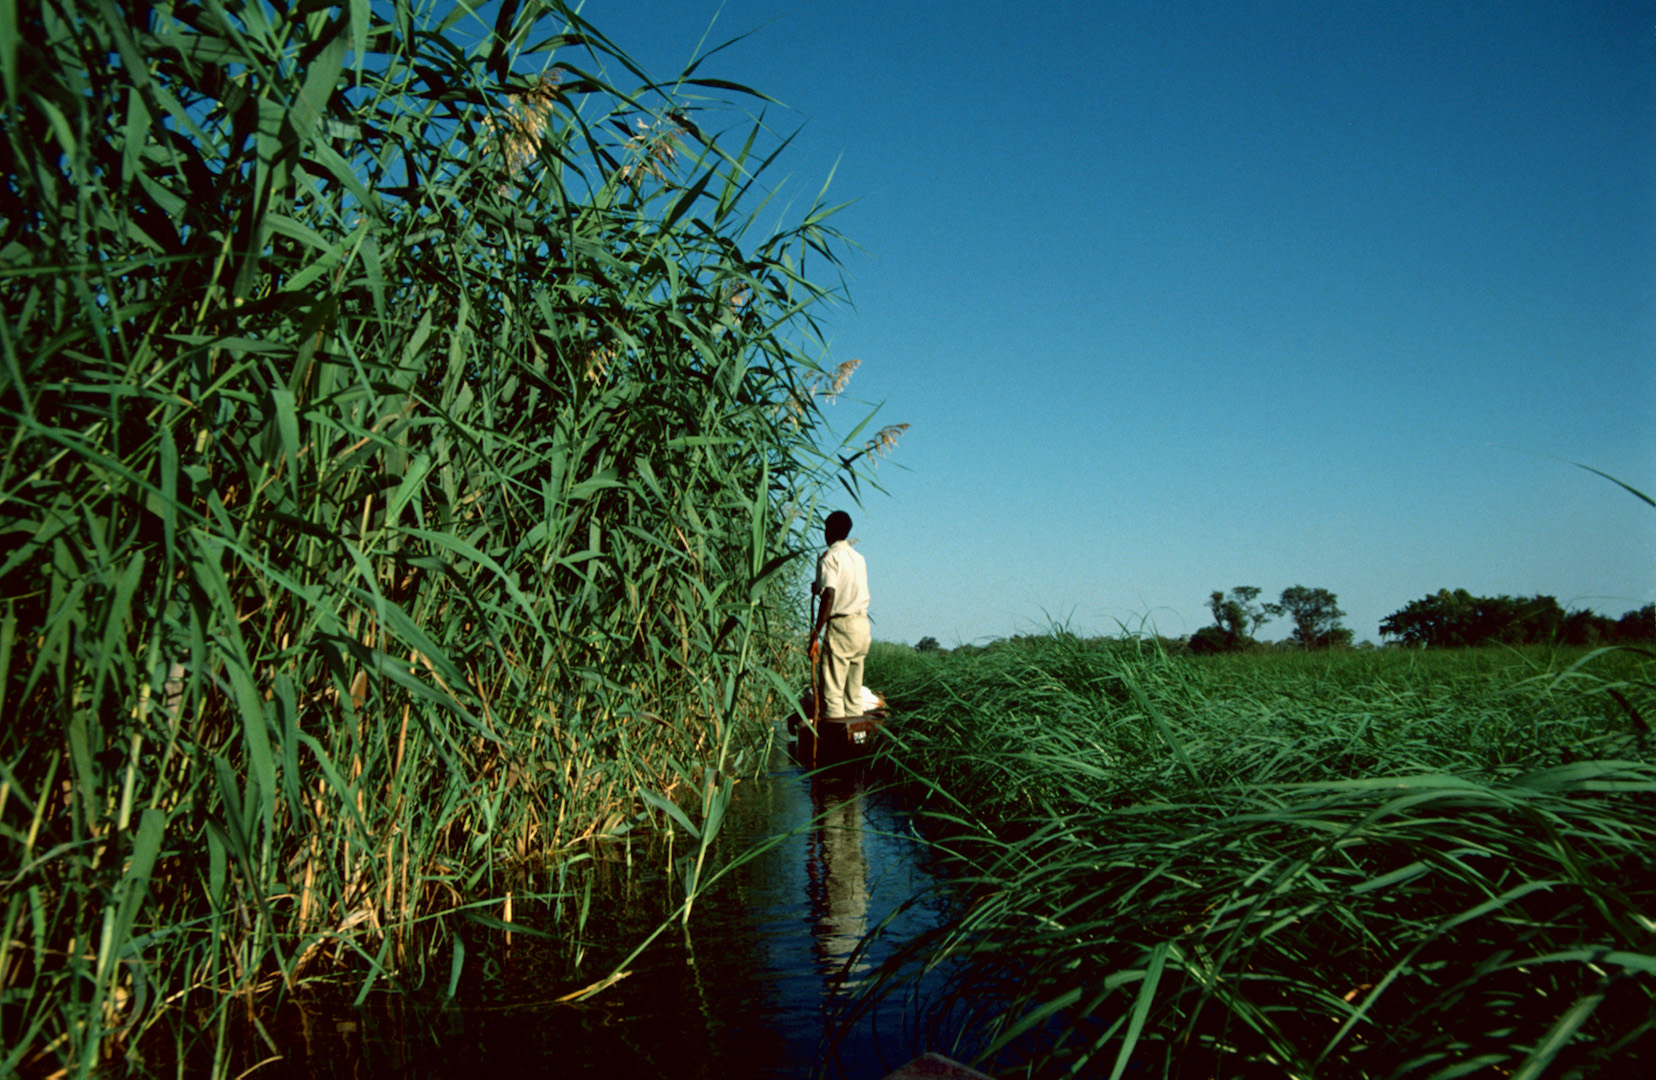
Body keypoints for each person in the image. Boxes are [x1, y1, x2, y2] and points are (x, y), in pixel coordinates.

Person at [807, 511, 871, 718]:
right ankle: (855, 744)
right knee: (853, 695)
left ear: (829, 532)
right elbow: (844, 585)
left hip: (842, 627)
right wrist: (820, 584)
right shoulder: (858, 558)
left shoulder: (830, 558)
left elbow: (830, 596)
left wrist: (815, 634)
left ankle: (835, 747)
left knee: (832, 693)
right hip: (862, 626)